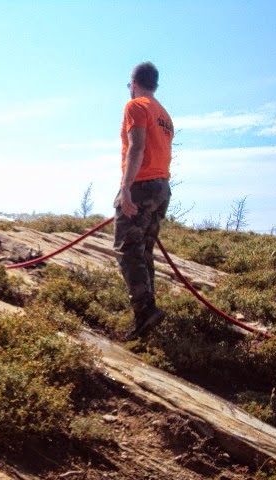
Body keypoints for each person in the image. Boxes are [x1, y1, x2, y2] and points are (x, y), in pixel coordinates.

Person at [113, 62, 174, 340]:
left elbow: (137, 146)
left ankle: (145, 312)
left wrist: (125, 189)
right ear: (156, 85)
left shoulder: (136, 106)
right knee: (144, 250)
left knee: (127, 249)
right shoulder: (164, 115)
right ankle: (148, 312)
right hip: (162, 187)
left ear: (134, 83)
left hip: (141, 185)